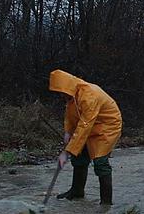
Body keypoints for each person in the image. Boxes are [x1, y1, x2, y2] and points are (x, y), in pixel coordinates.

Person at [49, 70, 123, 205]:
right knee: (79, 156)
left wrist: (66, 152)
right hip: (89, 125)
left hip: (107, 126)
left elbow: (85, 125)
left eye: (60, 92)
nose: (60, 95)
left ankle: (106, 203)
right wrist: (68, 132)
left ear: (66, 87)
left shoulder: (89, 95)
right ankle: (77, 192)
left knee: (100, 162)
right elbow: (71, 116)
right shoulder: (72, 95)